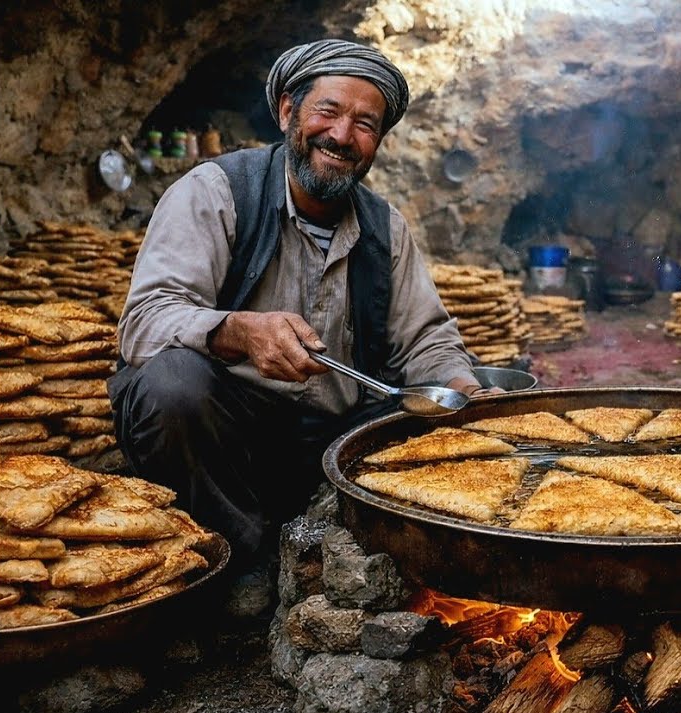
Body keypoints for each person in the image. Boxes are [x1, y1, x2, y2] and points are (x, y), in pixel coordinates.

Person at [109, 39, 490, 564]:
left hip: (329, 438)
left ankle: (335, 540)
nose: (341, 136)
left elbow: (427, 340)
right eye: (327, 112)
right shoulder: (216, 192)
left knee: (462, 398)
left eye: (365, 124)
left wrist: (463, 389)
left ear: (378, 140)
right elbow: (145, 322)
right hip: (224, 435)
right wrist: (239, 331)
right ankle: (237, 558)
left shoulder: (385, 230)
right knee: (172, 384)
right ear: (289, 110)